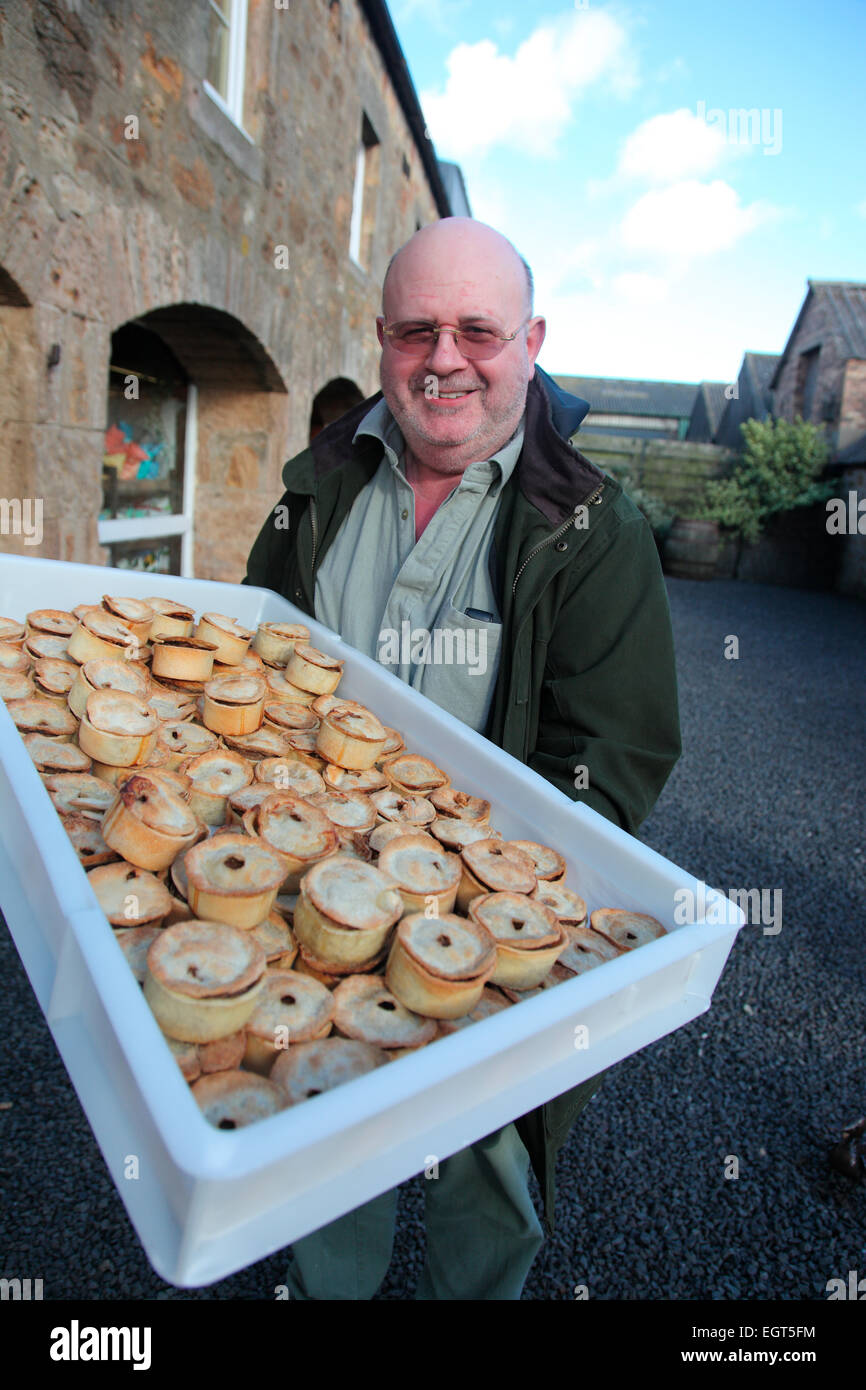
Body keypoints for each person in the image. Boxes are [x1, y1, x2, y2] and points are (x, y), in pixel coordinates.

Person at [244, 216, 681, 1299]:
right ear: (382, 338)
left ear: (530, 340)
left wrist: (498, 899)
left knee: (486, 1166)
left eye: (476, 330)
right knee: (319, 1121)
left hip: (481, 938)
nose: (444, 358)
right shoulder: (317, 488)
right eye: (415, 329)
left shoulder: (591, 527)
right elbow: (253, 665)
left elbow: (613, 757)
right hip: (310, 896)